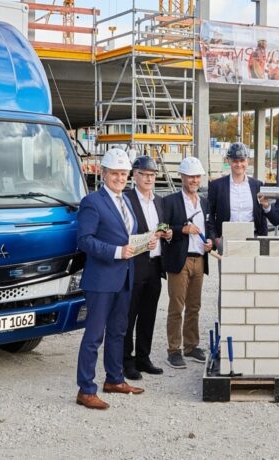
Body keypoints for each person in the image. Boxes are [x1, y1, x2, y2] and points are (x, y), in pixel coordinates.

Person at [75, 148, 151, 410]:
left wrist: (143, 244)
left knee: (118, 332)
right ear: (104, 174)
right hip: (101, 280)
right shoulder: (92, 202)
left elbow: (125, 235)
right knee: (94, 336)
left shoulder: (125, 200)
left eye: (123, 174)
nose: (120, 178)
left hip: (124, 277)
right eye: (115, 173)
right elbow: (84, 240)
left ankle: (114, 379)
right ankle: (86, 390)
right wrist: (117, 252)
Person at [161, 156, 213, 369]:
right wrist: (182, 229)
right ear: (181, 176)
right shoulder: (170, 201)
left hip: (199, 259)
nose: (194, 180)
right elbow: (162, 227)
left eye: (197, 176)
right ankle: (174, 350)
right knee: (176, 306)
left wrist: (210, 242)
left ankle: (191, 346)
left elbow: (209, 227)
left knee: (194, 306)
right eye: (190, 176)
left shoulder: (204, 202)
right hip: (179, 261)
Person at [122, 155, 172, 380]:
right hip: (134, 265)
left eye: (152, 175)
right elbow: (123, 233)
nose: (149, 179)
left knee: (148, 315)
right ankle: (126, 361)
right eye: (145, 174)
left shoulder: (159, 201)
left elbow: (162, 227)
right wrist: (143, 243)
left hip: (155, 265)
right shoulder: (126, 200)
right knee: (129, 315)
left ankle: (143, 357)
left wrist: (168, 234)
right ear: (135, 175)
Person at [206, 142, 268, 252]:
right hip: (226, 239)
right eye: (235, 161)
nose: (239, 164)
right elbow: (209, 213)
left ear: (247, 161)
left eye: (242, 160)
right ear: (228, 161)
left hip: (252, 238)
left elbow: (262, 214)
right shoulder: (217, 186)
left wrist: (263, 239)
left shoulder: (257, 185)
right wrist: (215, 239)